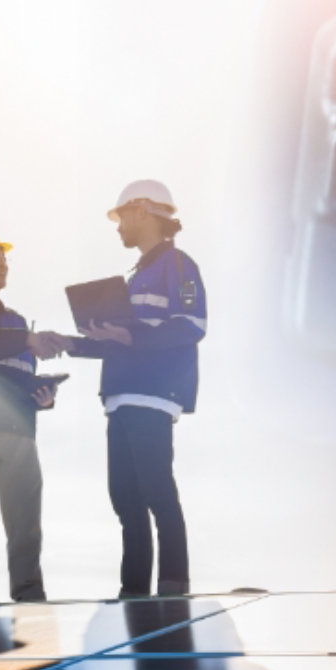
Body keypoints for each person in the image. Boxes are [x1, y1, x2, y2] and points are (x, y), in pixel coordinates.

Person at [65, 181, 207, 598]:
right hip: (121, 396)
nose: (118, 227)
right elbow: (117, 339)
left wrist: (132, 338)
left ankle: (173, 589)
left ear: (143, 210)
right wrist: (68, 341)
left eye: (121, 216)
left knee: (156, 488)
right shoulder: (135, 277)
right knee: (125, 495)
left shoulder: (180, 268)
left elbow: (192, 323)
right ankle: (134, 593)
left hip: (153, 395)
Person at [0, 235, 65, 602]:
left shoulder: (18, 322)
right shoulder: (21, 333)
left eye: (5, 258)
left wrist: (43, 397)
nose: (2, 263)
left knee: (26, 530)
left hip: (20, 437)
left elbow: (17, 379)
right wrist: (26, 339)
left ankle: (29, 601)